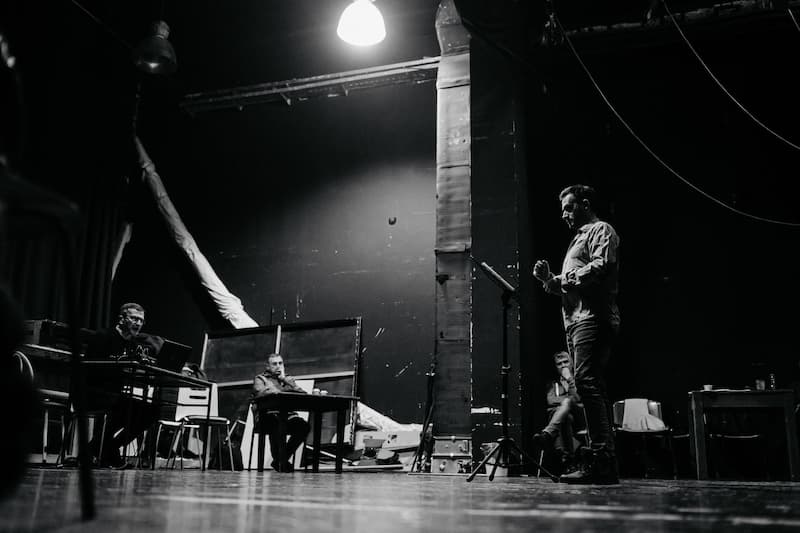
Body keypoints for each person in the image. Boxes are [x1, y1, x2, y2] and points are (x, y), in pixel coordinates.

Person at [533, 184, 620, 484]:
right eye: (562, 210)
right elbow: (564, 287)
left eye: (569, 208)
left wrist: (563, 278)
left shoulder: (601, 230)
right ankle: (602, 461)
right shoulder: (577, 240)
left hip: (593, 319)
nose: (564, 215)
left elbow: (600, 267)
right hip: (576, 322)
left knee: (587, 384)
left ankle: (602, 462)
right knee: (588, 386)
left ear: (585, 204)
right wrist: (548, 279)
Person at [86, 302, 164, 468]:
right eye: (134, 318)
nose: (138, 323)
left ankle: (107, 447)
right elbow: (91, 367)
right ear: (121, 319)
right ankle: (102, 450)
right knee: (122, 407)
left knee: (151, 411)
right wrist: (120, 365)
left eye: (141, 320)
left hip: (114, 394)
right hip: (93, 391)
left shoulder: (133, 345)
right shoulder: (103, 336)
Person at [251, 353, 310, 472]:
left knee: (303, 426)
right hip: (267, 415)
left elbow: (303, 394)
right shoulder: (260, 379)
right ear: (267, 366)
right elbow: (261, 393)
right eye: (274, 364)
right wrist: (279, 390)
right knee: (276, 423)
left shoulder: (287, 379)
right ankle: (281, 461)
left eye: (280, 363)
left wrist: (284, 380)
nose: (278, 366)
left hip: (287, 416)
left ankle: (280, 460)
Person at [533, 350, 585, 475]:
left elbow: (579, 399)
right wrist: (567, 402)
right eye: (559, 364)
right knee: (565, 417)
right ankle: (568, 460)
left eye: (566, 362)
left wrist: (570, 379)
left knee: (567, 403)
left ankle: (549, 433)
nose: (563, 365)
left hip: (582, 417)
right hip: (566, 419)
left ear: (572, 363)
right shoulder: (554, 384)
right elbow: (551, 400)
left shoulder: (579, 379)